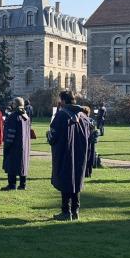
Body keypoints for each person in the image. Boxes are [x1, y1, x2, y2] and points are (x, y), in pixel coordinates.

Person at [48, 91, 91, 220]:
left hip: (64, 153)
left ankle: (66, 211)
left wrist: (48, 135)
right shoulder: (84, 116)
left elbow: (53, 136)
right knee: (76, 181)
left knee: (65, 181)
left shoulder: (61, 115)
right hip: (80, 154)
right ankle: (75, 210)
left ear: (63, 101)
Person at [1, 97, 32, 190]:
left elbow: (10, 132)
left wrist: (7, 144)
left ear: (15, 104)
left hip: (14, 145)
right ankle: (23, 184)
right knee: (23, 164)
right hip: (24, 145)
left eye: (13, 103)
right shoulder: (26, 117)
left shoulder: (13, 116)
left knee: (11, 164)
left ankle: (12, 184)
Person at [83, 106, 102, 178]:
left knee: (85, 158)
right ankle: (89, 172)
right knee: (91, 157)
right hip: (92, 141)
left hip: (86, 141)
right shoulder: (92, 120)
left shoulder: (84, 121)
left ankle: (85, 173)